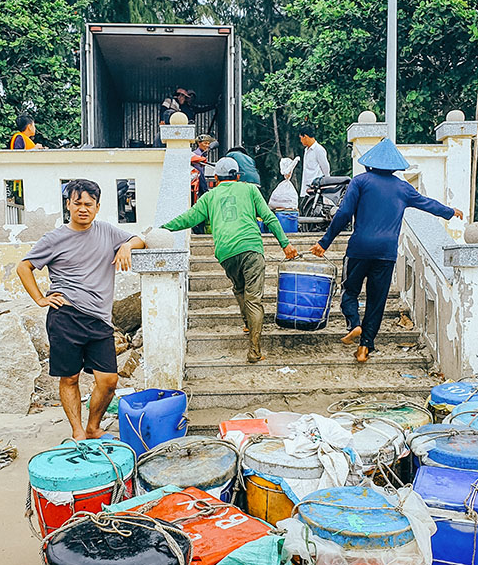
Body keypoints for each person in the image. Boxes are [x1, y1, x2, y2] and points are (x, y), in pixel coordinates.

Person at [311, 138, 463, 363]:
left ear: (369, 163)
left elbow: (343, 214)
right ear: (395, 166)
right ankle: (365, 348)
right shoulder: (403, 188)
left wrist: (324, 242)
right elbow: (426, 203)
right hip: (386, 253)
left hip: (359, 249)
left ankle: (354, 324)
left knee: (350, 291)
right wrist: (450, 212)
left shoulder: (360, 182)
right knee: (376, 300)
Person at [16, 179, 147, 440]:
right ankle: (78, 431)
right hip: (66, 316)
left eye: (89, 204)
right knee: (70, 378)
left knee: (108, 380)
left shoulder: (108, 232)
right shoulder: (54, 239)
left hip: (99, 319)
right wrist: (41, 299)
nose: (83, 209)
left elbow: (140, 239)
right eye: (77, 203)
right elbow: (24, 267)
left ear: (97, 207)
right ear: (68, 205)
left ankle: (93, 426)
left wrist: (126, 246)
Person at [162, 158, 298, 363]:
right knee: (253, 299)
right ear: (238, 176)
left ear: (216, 179)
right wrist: (285, 244)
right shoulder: (250, 190)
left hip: (226, 253)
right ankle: (254, 351)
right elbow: (269, 218)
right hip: (251, 248)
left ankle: (247, 323)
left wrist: (163, 228)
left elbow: (188, 218)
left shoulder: (210, 196)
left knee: (239, 289)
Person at [298, 126, 330, 195]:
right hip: (306, 188)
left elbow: (325, 169)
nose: (301, 141)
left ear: (305, 137)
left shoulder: (319, 150)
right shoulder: (306, 150)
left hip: (316, 188)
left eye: (301, 138)